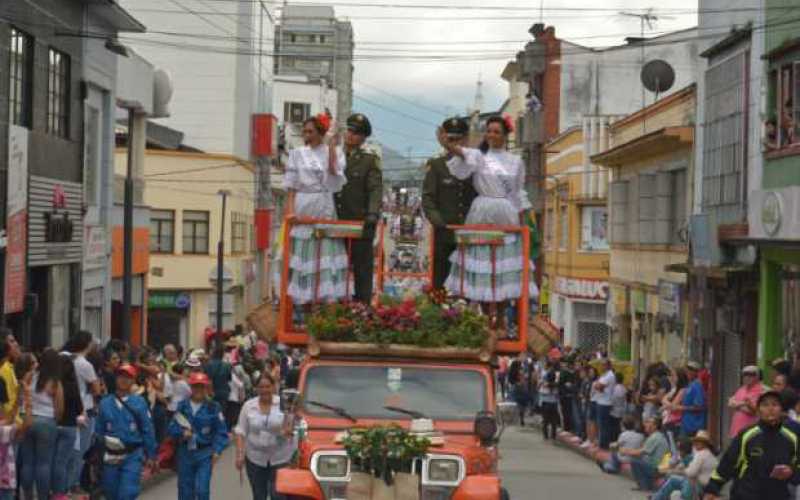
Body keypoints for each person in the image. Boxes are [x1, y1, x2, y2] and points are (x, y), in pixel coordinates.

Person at [437, 115, 538, 330]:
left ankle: (501, 318)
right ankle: (484, 317)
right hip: (481, 211)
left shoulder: (516, 161)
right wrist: (446, 143)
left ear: (505, 135)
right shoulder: (480, 156)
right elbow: (461, 152)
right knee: (483, 265)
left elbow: (518, 192)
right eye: (489, 131)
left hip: (507, 214)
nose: (492, 135)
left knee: (501, 267)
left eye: (496, 132)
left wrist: (525, 218)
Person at [282, 114, 349, 309]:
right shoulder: (297, 153)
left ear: (321, 133)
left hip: (325, 203)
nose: (306, 135)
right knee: (304, 248)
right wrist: (290, 211)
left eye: (310, 131)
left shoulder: (334, 151)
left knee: (325, 247)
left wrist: (330, 147)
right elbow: (291, 187)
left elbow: (335, 173)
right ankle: (303, 297)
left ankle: (325, 296)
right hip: (304, 203)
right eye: (305, 131)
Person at [703, 391, 800, 500]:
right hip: (745, 495)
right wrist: (712, 488)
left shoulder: (792, 438)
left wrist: (792, 473)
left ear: (781, 410)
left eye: (775, 404)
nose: (770, 409)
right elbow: (727, 463)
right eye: (765, 405)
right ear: (758, 410)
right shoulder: (747, 435)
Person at [422, 117, 476, 290]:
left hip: (470, 231)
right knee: (441, 281)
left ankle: (468, 315)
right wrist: (440, 222)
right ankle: (441, 313)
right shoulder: (437, 165)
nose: (454, 144)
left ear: (466, 139)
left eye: (458, 139)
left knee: (468, 280)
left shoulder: (474, 163)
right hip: (444, 232)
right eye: (450, 140)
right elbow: (428, 198)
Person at [334, 113, 382, 303]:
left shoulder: (369, 160)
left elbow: (375, 189)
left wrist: (372, 214)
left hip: (359, 221)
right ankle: (335, 306)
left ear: (363, 138)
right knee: (335, 266)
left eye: (355, 133)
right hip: (335, 220)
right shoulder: (335, 155)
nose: (350, 135)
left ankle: (363, 308)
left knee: (362, 267)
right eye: (349, 130)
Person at [95, 363, 157, 500]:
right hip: (110, 456)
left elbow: (148, 430)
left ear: (133, 381)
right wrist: (96, 456)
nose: (124, 380)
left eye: (128, 377)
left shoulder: (140, 402)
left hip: (132, 455)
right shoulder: (105, 403)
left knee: (127, 493)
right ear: (116, 378)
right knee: (111, 493)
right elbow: (98, 431)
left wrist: (151, 455)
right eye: (121, 376)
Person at [235, 372, 295, 500]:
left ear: (274, 387)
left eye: (267, 386)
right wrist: (240, 454)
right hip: (255, 459)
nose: (264, 390)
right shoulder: (248, 406)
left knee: (277, 495)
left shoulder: (283, 404)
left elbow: (291, 425)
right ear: (256, 389)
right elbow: (240, 431)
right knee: (259, 495)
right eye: (261, 387)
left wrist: (286, 431)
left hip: (280, 458)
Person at [168, 372, 229, 500]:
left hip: (205, 454)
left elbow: (222, 432)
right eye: (196, 386)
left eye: (201, 386)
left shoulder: (213, 407)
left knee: (202, 490)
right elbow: (172, 427)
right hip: (185, 453)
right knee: (185, 492)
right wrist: (182, 433)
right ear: (191, 387)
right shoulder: (182, 406)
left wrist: (217, 451)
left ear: (206, 387)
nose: (198, 390)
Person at [19, 348, 65, 500]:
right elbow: (59, 408)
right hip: (47, 422)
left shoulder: (29, 376)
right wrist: (55, 421)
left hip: (28, 419)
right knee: (43, 463)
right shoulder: (55, 383)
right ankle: (42, 496)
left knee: (27, 462)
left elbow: (21, 397)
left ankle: (27, 495)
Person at [52, 353, 85, 500]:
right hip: (69, 426)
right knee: (62, 462)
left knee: (50, 460)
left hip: (53, 424)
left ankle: (50, 490)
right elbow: (79, 408)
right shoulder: (72, 386)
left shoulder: (52, 384)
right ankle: (61, 492)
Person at [652, 430, 718, 500]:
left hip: (700, 486)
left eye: (699, 442)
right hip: (707, 486)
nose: (696, 443)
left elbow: (691, 472)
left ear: (705, 444)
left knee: (682, 479)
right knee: (674, 479)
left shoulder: (701, 454)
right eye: (696, 441)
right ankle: (657, 497)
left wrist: (680, 471)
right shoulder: (710, 455)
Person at [623, 416, 670, 492]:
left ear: (655, 426)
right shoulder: (657, 435)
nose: (645, 424)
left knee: (634, 460)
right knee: (639, 460)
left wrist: (624, 451)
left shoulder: (655, 437)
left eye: (649, 422)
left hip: (658, 469)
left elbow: (639, 453)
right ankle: (646, 483)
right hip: (659, 467)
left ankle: (644, 485)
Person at [728, 365, 766, 438]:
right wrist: (743, 404)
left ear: (757, 376)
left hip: (750, 432)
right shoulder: (742, 389)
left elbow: (753, 411)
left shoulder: (761, 390)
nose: (747, 377)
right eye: (745, 374)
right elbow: (730, 403)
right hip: (736, 430)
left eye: (751, 375)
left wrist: (737, 405)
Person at [594, 358, 617, 449]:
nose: (602, 366)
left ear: (609, 365)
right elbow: (597, 385)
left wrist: (598, 385)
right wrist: (597, 385)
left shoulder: (610, 375)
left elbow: (598, 386)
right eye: (601, 364)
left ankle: (603, 445)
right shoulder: (604, 375)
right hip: (601, 401)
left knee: (603, 425)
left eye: (604, 365)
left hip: (605, 403)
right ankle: (602, 443)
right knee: (601, 424)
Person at [681, 361, 707, 437]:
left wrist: (681, 408)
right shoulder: (690, 385)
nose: (687, 373)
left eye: (690, 371)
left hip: (694, 426)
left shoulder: (697, 386)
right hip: (687, 424)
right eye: (686, 371)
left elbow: (698, 406)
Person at [204, 346, 232, 419]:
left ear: (213, 353)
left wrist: (210, 393)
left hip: (212, 393)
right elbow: (229, 379)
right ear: (222, 355)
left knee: (211, 413)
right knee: (221, 414)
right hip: (224, 393)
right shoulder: (227, 365)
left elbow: (208, 380)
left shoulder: (209, 365)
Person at [0, 329, 21, 423]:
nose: (16, 344)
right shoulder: (4, 369)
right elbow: (6, 406)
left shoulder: (9, 367)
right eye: (11, 341)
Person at [538, 360, 560, 440]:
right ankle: (552, 435)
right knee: (553, 420)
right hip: (553, 402)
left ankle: (546, 435)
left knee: (546, 420)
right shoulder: (555, 380)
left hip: (546, 402)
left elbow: (540, 389)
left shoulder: (545, 380)